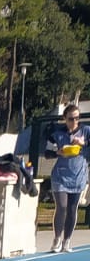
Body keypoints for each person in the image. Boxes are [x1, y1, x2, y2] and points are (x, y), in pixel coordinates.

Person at [44, 104, 88, 253]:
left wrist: (83, 143)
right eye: (71, 119)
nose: (74, 121)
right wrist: (58, 152)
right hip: (60, 176)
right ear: (64, 118)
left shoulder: (86, 131)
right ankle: (57, 238)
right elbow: (47, 153)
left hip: (78, 176)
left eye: (77, 118)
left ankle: (67, 240)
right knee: (62, 206)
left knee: (72, 208)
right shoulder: (57, 134)